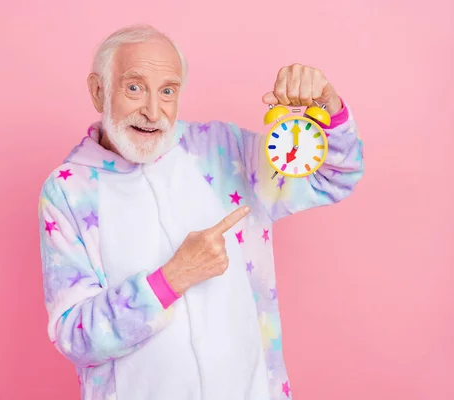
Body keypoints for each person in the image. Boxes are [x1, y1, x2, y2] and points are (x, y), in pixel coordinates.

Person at [38, 24, 364, 400]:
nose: (152, 110)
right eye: (134, 87)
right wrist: (171, 279)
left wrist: (328, 105)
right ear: (99, 91)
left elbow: (334, 177)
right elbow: (74, 335)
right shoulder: (67, 190)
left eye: (167, 91)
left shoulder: (221, 150)